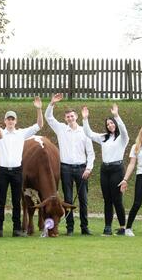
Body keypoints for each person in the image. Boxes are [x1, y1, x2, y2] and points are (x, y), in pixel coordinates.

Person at [0, 93, 43, 238]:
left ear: (16, 121)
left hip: (17, 171)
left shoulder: (21, 133)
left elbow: (39, 125)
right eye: (8, 119)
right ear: (4, 121)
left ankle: (17, 229)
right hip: (3, 171)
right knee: (0, 201)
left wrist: (39, 109)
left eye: (12, 119)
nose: (10, 121)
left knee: (16, 201)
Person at [45, 93, 95, 235]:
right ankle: (70, 228)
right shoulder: (61, 129)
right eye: (67, 116)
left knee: (83, 200)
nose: (70, 118)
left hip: (81, 169)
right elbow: (49, 117)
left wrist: (89, 168)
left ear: (76, 117)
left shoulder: (84, 132)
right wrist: (52, 103)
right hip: (65, 168)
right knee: (67, 199)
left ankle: (84, 228)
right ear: (65, 119)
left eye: (72, 116)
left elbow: (91, 153)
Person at [82, 104, 129, 236]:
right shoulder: (104, 138)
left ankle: (121, 227)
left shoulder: (122, 139)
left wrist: (116, 116)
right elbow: (89, 134)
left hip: (117, 169)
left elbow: (124, 130)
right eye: (108, 124)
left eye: (111, 123)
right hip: (105, 170)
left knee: (117, 199)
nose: (110, 125)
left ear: (115, 124)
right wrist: (85, 119)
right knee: (107, 200)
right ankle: (107, 227)